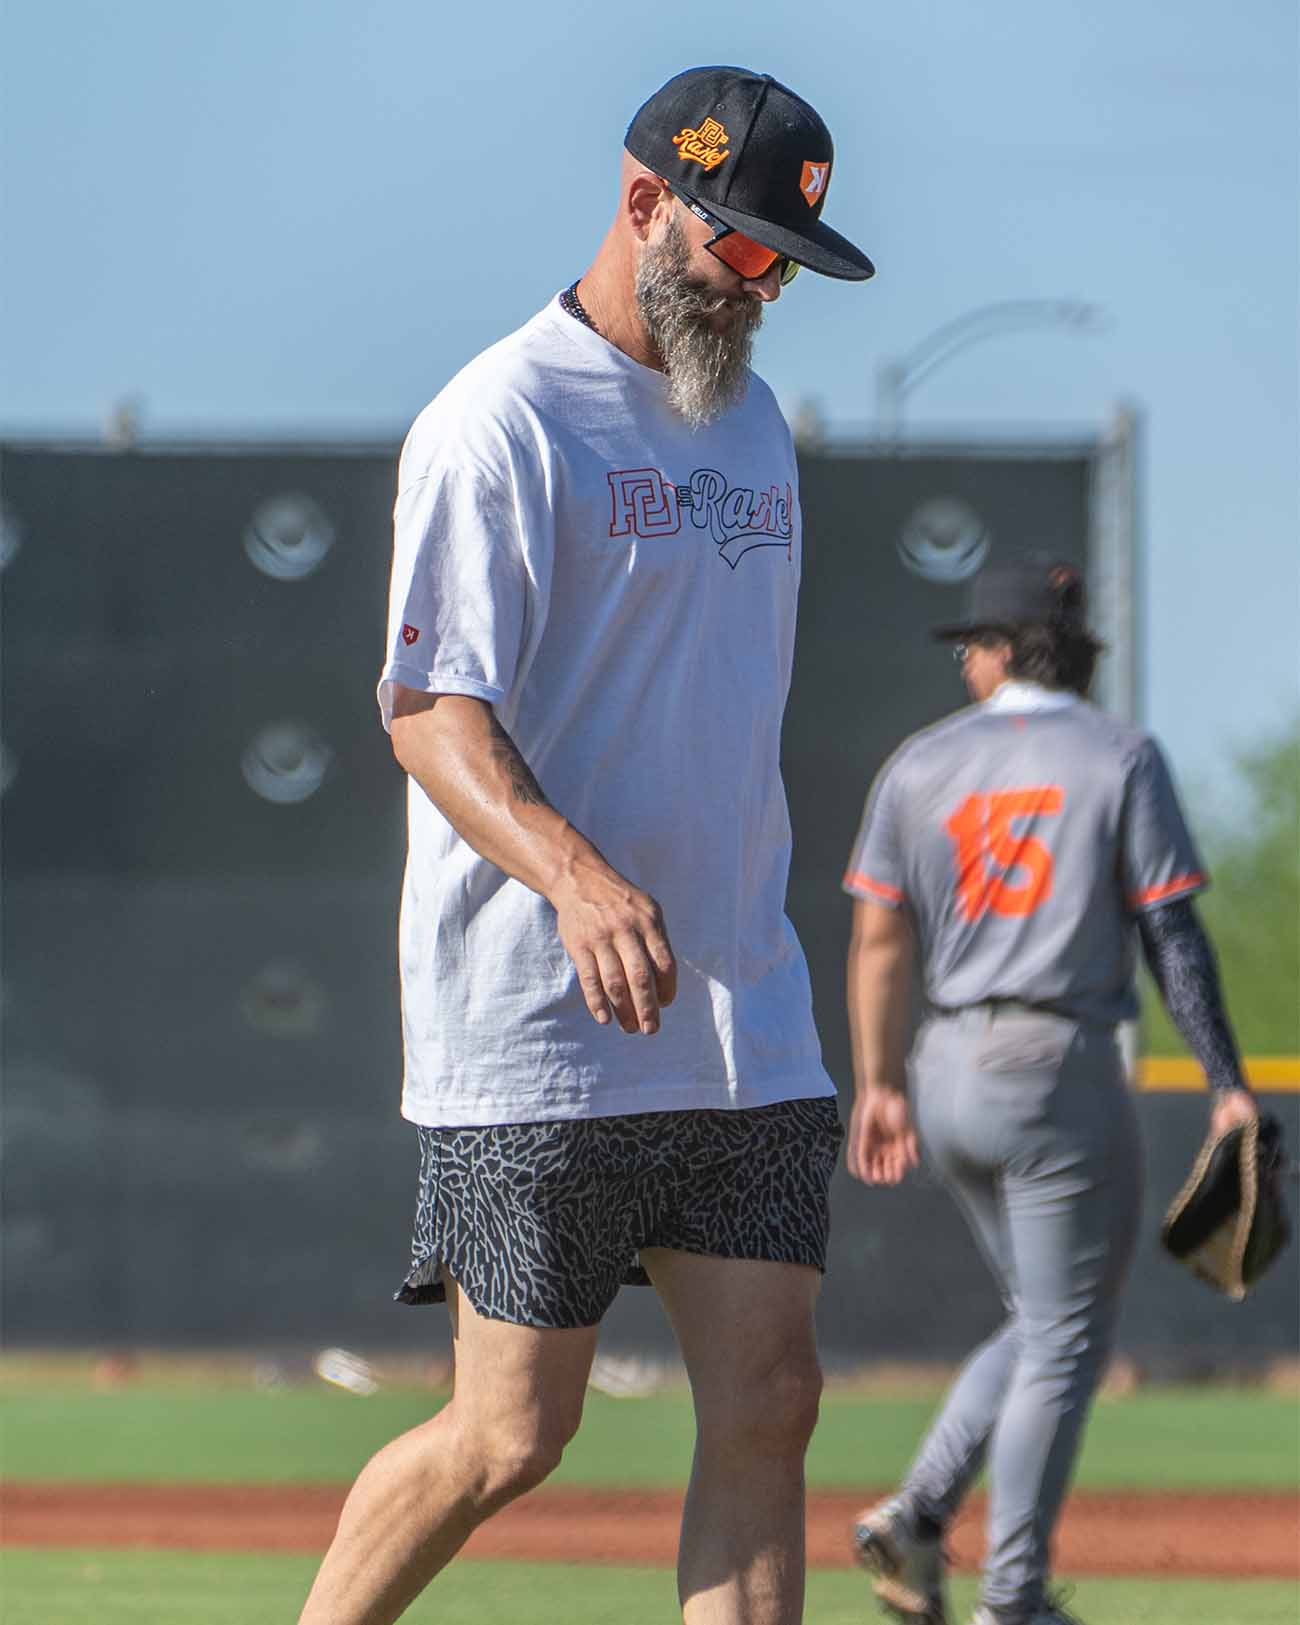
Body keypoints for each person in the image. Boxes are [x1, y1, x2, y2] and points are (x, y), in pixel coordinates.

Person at [297, 65, 875, 1625]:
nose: (762, 292)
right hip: (544, 1022)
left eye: (785, 266)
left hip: (744, 1013)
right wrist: (577, 875)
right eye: (742, 250)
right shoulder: (503, 418)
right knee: (510, 1433)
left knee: (772, 1400)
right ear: (644, 204)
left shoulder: (753, 430)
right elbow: (427, 711)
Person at [840, 555, 1259, 1625]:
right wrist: (1224, 1080)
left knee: (1043, 1317)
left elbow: (879, 936)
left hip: (944, 1066)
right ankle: (1012, 1599)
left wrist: (878, 1081)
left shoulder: (918, 762)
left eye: (968, 646)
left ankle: (922, 1513)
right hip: (1055, 1066)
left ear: (995, 651)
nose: (963, 664)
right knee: (1069, 1332)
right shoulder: (1118, 753)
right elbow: (1169, 926)